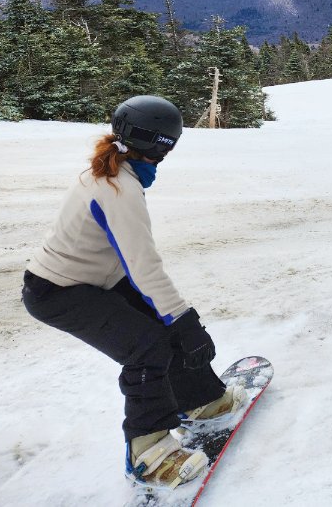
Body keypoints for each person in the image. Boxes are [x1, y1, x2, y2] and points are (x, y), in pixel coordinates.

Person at [21, 95, 246, 490]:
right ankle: (149, 453)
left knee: (163, 325)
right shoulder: (120, 189)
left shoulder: (111, 170)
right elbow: (143, 266)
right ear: (165, 145)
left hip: (90, 279)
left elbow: (133, 266)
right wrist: (185, 321)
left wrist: (174, 320)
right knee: (147, 348)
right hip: (59, 291)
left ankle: (201, 400)